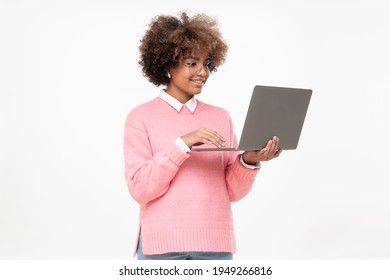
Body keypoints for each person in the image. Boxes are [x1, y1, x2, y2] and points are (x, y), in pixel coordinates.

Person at [123, 11, 282, 260]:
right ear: (167, 65)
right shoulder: (140, 117)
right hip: (160, 250)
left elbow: (232, 192)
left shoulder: (220, 117)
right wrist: (182, 144)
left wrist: (248, 160)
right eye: (192, 63)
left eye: (207, 64)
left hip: (215, 248)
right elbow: (140, 189)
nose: (203, 72)